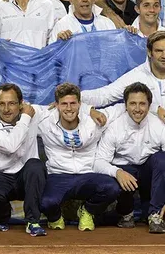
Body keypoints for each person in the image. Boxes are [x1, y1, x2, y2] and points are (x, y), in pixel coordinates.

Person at [25, 83, 118, 232]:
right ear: (56, 105)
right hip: (57, 176)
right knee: (44, 203)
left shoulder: (94, 121)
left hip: (87, 175)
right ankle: (55, 217)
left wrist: (90, 110)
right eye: (64, 104)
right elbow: (19, 106)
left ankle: (87, 211)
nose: (69, 108)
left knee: (112, 188)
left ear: (80, 104)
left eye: (73, 103)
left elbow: (122, 108)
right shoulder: (44, 119)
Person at [94, 82, 165, 233]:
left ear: (149, 106)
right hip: (126, 173)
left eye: (142, 104)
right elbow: (98, 162)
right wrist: (117, 172)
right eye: (132, 103)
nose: (137, 109)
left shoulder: (159, 127)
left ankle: (155, 215)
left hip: (148, 174)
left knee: (163, 159)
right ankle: (125, 213)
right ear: (126, 105)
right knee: (118, 171)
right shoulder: (115, 128)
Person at [82, 31, 165, 125]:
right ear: (149, 52)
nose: (164, 56)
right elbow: (105, 95)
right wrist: (75, 96)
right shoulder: (135, 76)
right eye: (159, 51)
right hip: (147, 142)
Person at [0, 83, 49, 235]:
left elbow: (59, 107)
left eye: (12, 103)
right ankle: (2, 218)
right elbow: (11, 146)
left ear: (21, 103)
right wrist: (26, 118)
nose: (6, 109)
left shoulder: (33, 112)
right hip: (1, 175)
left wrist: (89, 110)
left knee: (35, 165)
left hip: (26, 176)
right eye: (2, 104)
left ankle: (32, 221)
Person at [49, 0, 117, 43]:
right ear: (71, 0)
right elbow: (52, 54)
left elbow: (116, 50)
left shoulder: (107, 24)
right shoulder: (62, 26)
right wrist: (59, 43)